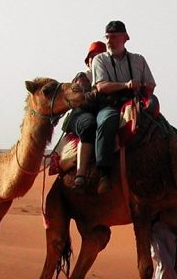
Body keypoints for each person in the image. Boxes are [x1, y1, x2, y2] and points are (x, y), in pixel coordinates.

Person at [89, 20, 156, 195]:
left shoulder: (138, 60)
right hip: (111, 104)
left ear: (125, 38)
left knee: (162, 125)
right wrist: (125, 85)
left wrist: (145, 87)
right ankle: (104, 173)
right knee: (106, 121)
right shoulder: (99, 60)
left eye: (113, 37)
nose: (109, 41)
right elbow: (101, 86)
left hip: (136, 101)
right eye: (107, 37)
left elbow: (151, 83)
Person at [62, 40, 107, 190]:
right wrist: (101, 93)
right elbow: (82, 100)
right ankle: (80, 174)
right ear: (88, 61)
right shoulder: (83, 77)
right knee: (89, 126)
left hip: (101, 112)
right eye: (92, 57)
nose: (95, 60)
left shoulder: (109, 77)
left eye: (100, 56)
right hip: (81, 113)